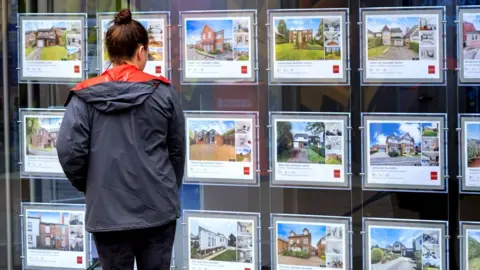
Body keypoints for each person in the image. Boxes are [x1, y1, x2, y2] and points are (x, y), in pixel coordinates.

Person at [56, 8, 185, 270]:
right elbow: (177, 151)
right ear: (140, 51)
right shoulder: (164, 93)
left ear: (110, 53)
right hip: (157, 210)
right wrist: (166, 187)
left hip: (107, 212)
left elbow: (69, 150)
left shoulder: (83, 96)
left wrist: (94, 186)